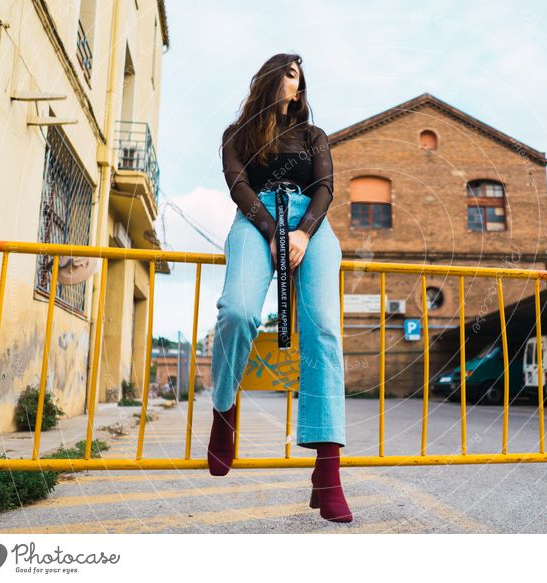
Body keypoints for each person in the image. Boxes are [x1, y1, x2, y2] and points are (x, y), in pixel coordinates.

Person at [209, 53, 351, 523]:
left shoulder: (314, 135)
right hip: (256, 220)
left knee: (325, 331)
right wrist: (273, 231)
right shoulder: (238, 133)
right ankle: (224, 408)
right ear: (272, 77)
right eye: (290, 73)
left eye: (300, 78)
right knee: (238, 310)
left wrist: (304, 232)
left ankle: (327, 473)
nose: (297, 83)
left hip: (312, 221)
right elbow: (238, 185)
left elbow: (326, 186)